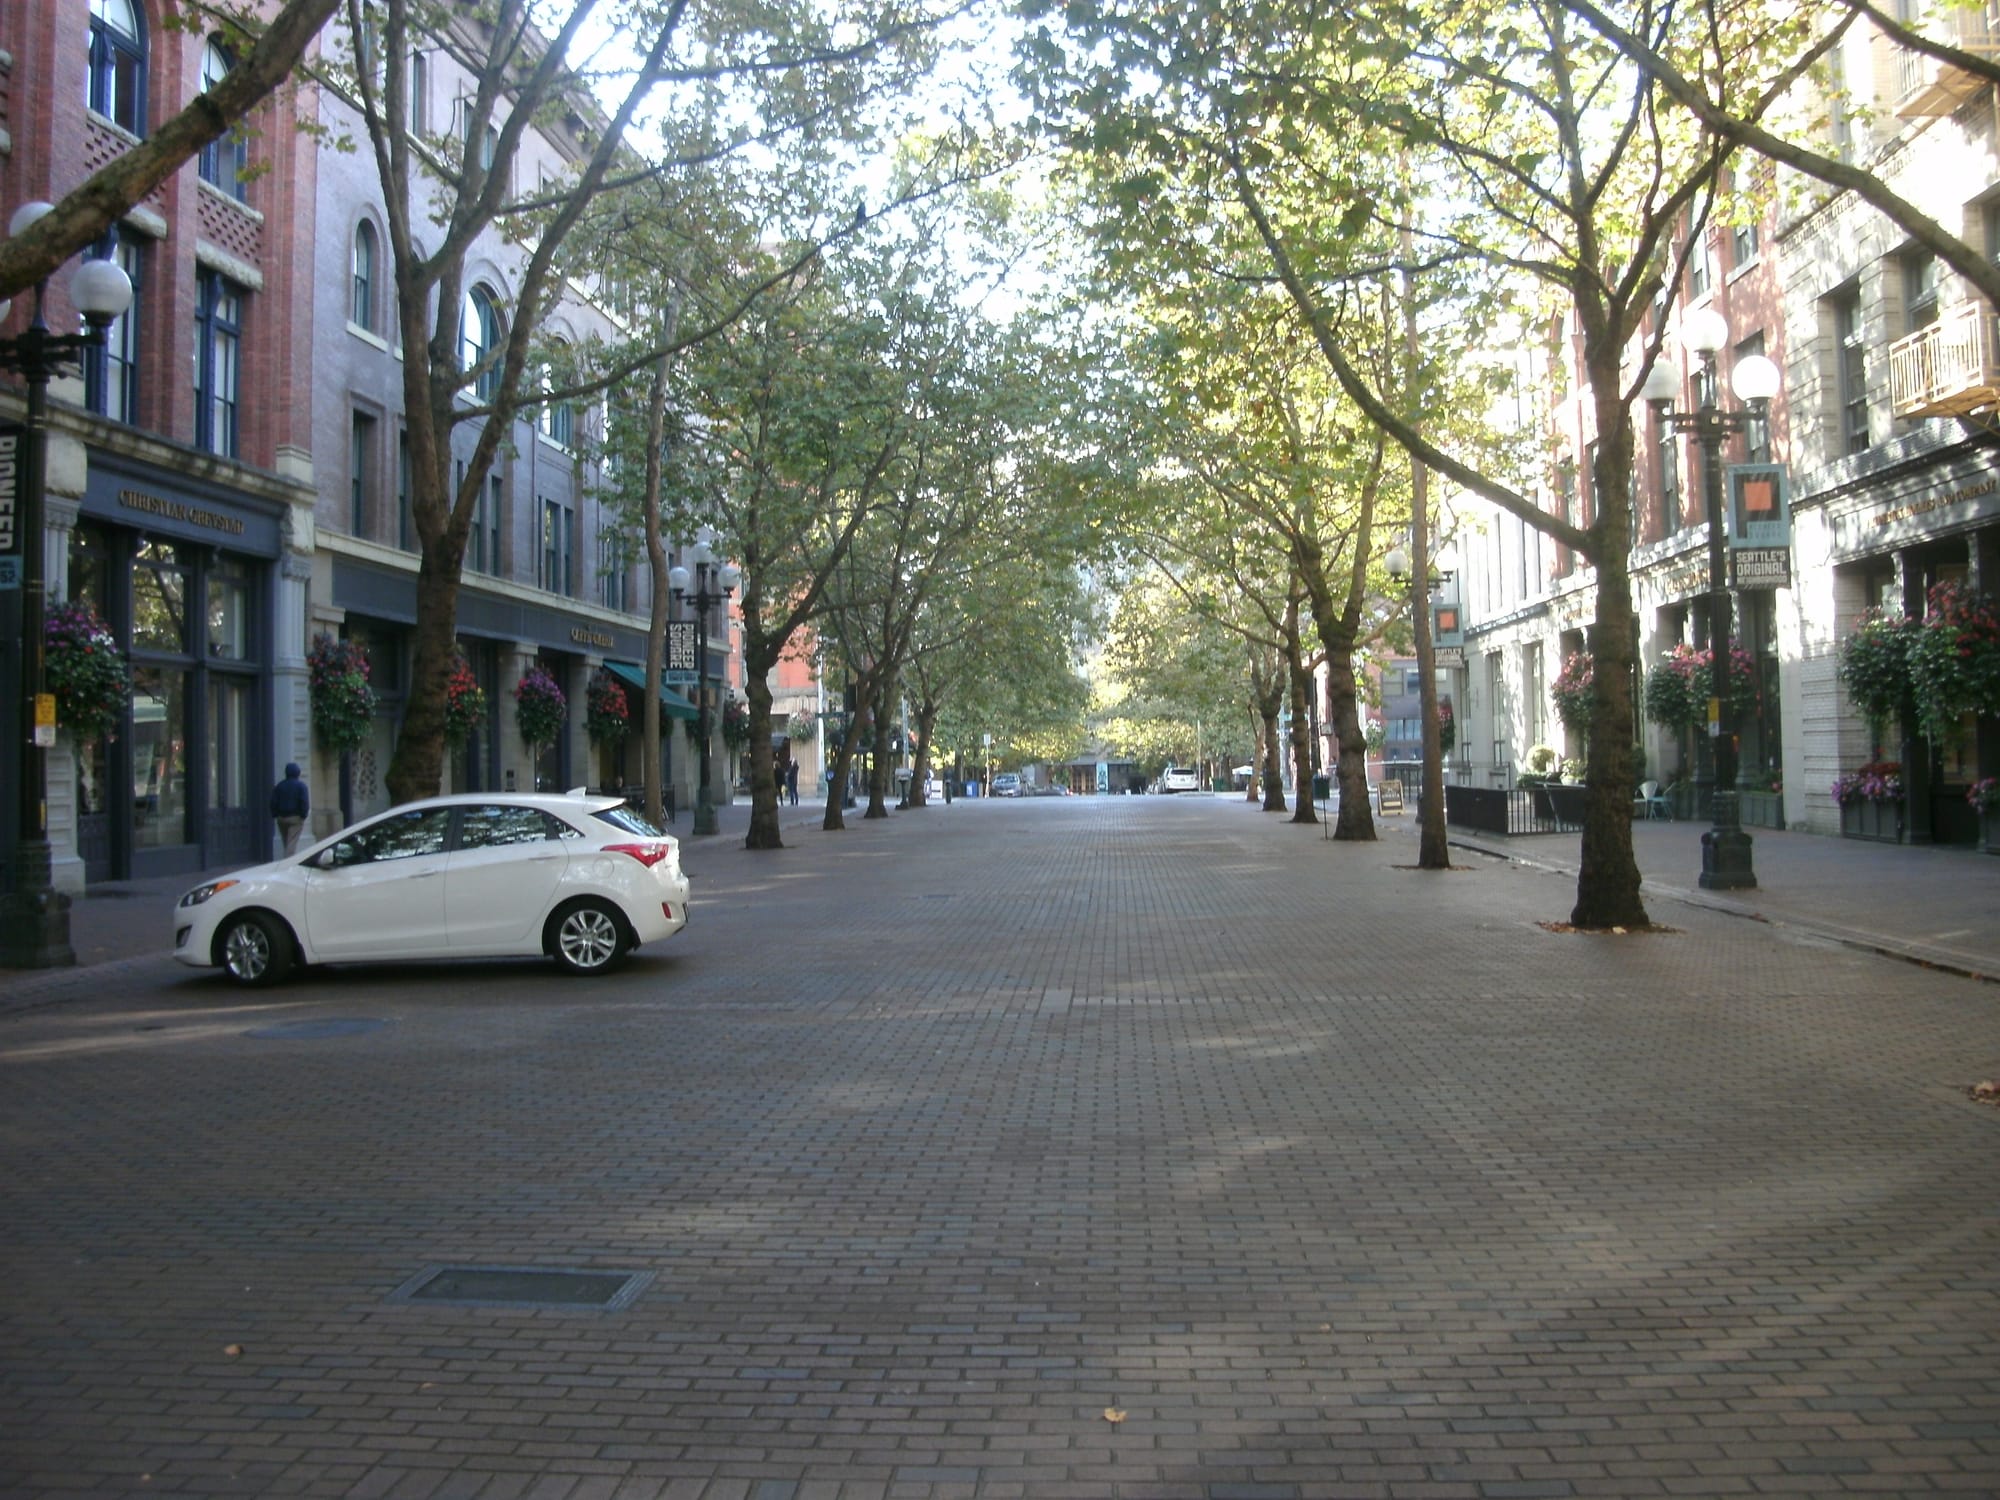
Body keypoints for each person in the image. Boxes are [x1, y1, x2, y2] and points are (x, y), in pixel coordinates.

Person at [271, 762, 310, 857]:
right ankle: (288, 864)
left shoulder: (279, 786)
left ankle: (287, 859)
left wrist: (275, 814)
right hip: (296, 818)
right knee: (291, 843)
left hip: (281, 818)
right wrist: (303, 815)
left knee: (286, 842)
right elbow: (304, 802)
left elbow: (273, 802)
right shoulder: (301, 786)